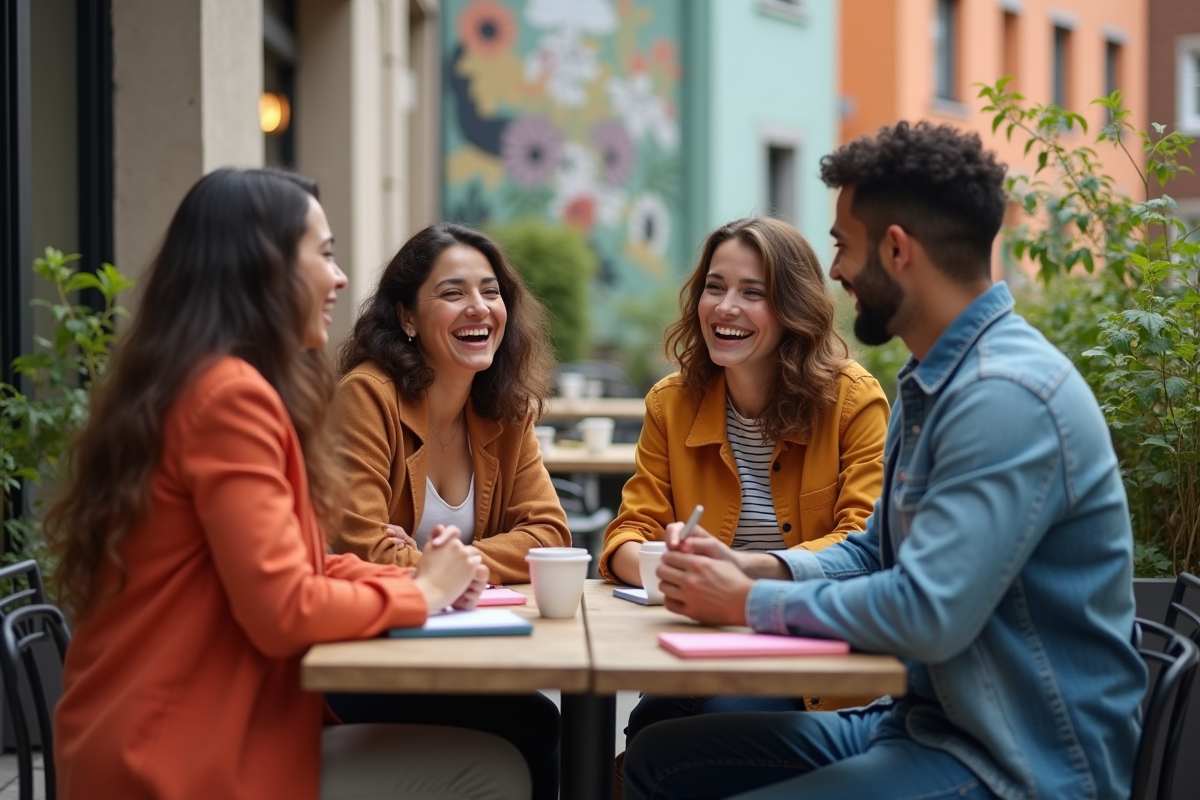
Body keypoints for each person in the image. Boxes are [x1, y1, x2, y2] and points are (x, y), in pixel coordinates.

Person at [624, 122, 1148, 800]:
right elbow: (875, 550)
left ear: (896, 250)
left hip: (1019, 759)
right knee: (659, 757)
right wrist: (760, 564)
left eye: (843, 245)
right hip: (926, 725)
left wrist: (749, 601)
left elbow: (927, 613)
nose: (835, 271)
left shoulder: (1004, 397)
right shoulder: (936, 379)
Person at [47, 168, 532, 800]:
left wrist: (417, 579)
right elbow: (284, 609)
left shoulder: (199, 383)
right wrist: (420, 595)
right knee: (495, 770)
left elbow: (304, 566)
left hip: (173, 726)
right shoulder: (231, 399)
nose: (340, 278)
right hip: (176, 756)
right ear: (262, 268)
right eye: (324, 254)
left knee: (516, 734)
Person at [598, 217, 890, 748]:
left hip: (805, 649)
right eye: (715, 287)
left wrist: (743, 575)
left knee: (711, 722)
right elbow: (630, 530)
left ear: (792, 309)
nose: (725, 307)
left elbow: (865, 543)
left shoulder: (852, 400)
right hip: (701, 639)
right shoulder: (672, 402)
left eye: (752, 293)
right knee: (651, 725)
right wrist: (668, 564)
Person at [330, 221, 568, 799]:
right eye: (452, 292)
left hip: (459, 650)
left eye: (491, 292)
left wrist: (436, 562)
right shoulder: (368, 396)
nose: (479, 308)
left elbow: (551, 534)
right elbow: (361, 546)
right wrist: (438, 567)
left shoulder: (505, 410)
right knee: (535, 725)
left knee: (538, 721)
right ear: (407, 317)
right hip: (369, 660)